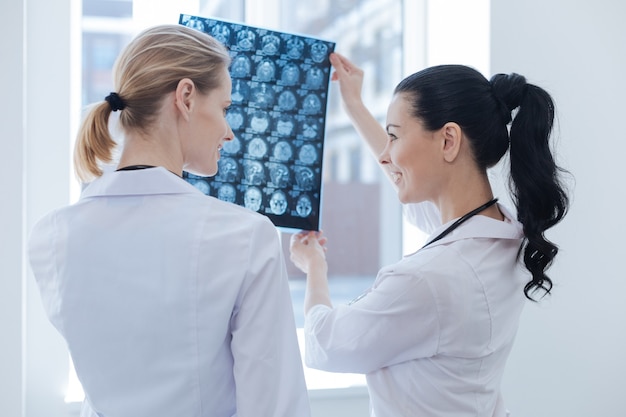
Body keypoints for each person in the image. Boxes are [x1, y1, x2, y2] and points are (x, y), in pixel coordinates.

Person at [28, 24, 311, 417]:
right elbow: (276, 407)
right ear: (187, 97)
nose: (228, 133)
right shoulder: (245, 236)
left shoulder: (50, 237)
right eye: (225, 108)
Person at [290, 52, 569, 417]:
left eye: (395, 136)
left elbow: (323, 344)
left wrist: (314, 268)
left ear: (448, 141)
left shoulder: (427, 280)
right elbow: (414, 188)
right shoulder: (507, 230)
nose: (385, 157)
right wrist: (355, 106)